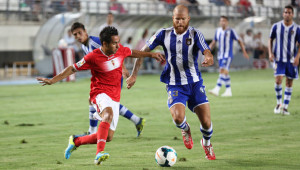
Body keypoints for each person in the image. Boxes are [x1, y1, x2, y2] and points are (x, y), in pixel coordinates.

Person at [37, 26, 165, 165]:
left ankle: (76, 141)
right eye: (114, 43)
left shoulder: (119, 49)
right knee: (107, 114)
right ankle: (99, 154)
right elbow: (72, 68)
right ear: (104, 44)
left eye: (118, 42)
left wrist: (151, 54)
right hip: (99, 93)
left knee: (108, 136)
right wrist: (52, 80)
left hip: (115, 96)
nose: (118, 45)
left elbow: (132, 52)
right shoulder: (93, 56)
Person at [127, 5, 216, 160]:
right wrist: (134, 75)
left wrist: (208, 57)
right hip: (175, 84)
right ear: (173, 19)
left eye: (183, 19)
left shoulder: (195, 34)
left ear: (188, 19)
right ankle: (185, 128)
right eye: (177, 19)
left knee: (207, 123)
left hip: (195, 83)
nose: (180, 22)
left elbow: (206, 50)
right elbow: (142, 52)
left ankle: (206, 143)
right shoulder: (163, 34)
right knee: (178, 118)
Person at [70, 22, 145, 137]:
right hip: (105, 78)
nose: (78, 36)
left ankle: (92, 131)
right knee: (103, 102)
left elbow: (116, 50)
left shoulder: (95, 42)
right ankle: (137, 121)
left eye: (80, 33)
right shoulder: (84, 45)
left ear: (85, 31)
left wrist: (123, 68)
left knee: (98, 101)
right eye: (75, 35)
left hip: (113, 77)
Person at [268, 5, 300, 116]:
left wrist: (297, 57)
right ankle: (278, 103)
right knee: (278, 80)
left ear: (293, 14)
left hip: (291, 60)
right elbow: (270, 39)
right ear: (283, 14)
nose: (287, 14)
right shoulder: (276, 26)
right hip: (279, 59)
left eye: (289, 12)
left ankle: (285, 108)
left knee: (289, 82)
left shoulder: (297, 28)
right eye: (285, 12)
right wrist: (270, 53)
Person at [208, 16, 249, 97]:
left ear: (227, 22)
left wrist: (244, 51)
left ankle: (217, 89)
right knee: (225, 73)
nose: (223, 22)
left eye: (224, 21)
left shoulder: (231, 31)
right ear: (220, 22)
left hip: (228, 55)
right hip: (220, 55)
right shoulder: (218, 31)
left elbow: (239, 41)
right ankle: (228, 91)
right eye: (221, 21)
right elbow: (213, 42)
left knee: (222, 70)